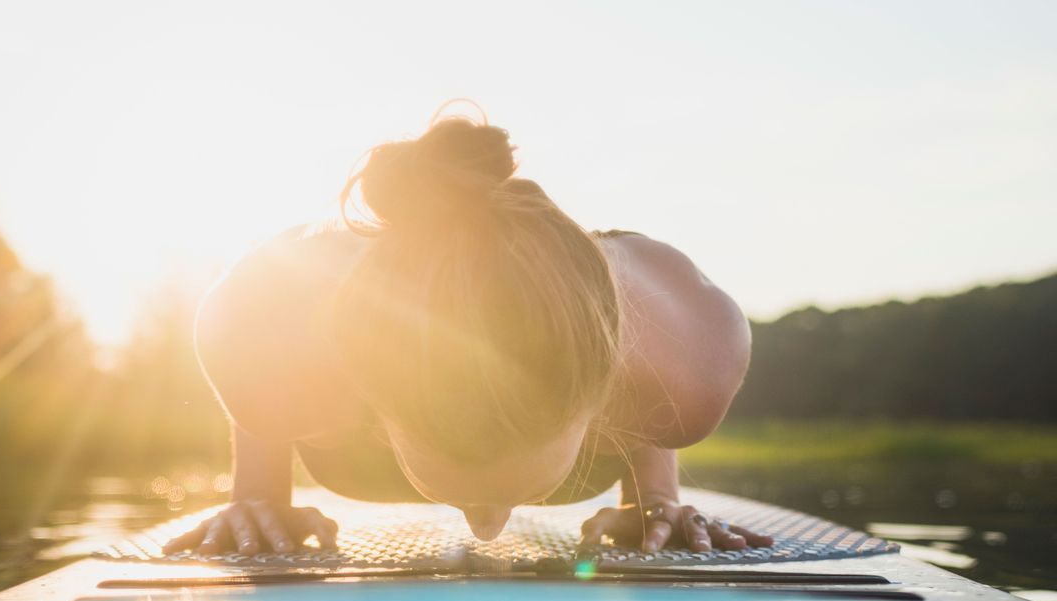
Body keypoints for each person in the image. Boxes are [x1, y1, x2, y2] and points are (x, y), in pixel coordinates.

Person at [165, 105, 772, 557]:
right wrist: (259, 494)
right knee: (275, 393)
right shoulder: (271, 321)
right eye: (471, 500)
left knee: (638, 352)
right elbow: (259, 346)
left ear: (605, 383)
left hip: (596, 320)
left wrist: (654, 500)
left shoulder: (690, 359)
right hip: (340, 338)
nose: (487, 527)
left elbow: (649, 350)